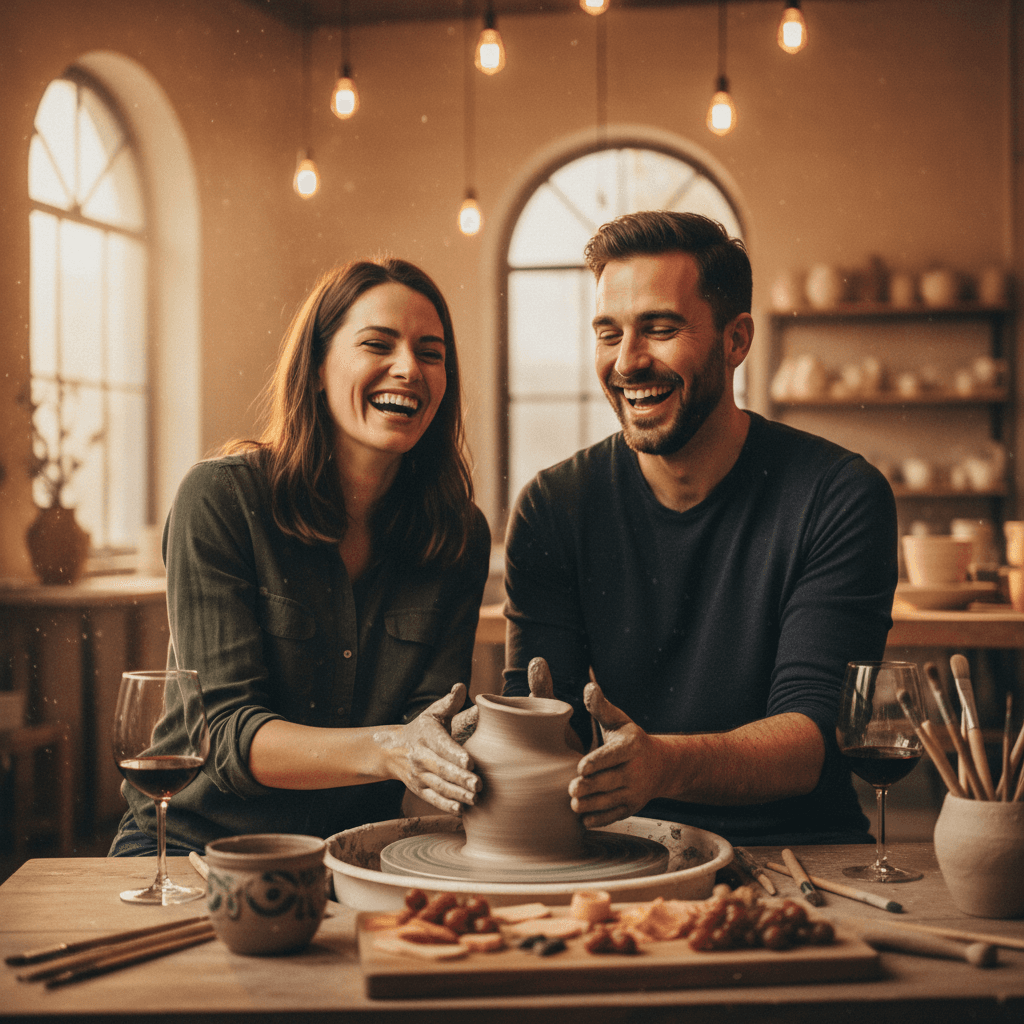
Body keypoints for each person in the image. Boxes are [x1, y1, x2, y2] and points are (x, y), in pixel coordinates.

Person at [503, 211, 898, 846]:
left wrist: (661, 763)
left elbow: (815, 736)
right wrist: (515, 731)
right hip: (619, 856)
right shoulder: (553, 506)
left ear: (736, 340)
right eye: (609, 334)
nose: (628, 362)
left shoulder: (839, 495)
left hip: (798, 857)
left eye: (659, 329)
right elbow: (541, 723)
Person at [110, 258, 489, 857]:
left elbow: (432, 732)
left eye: (431, 352)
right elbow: (226, 737)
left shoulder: (459, 533)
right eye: (377, 344)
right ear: (316, 367)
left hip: (360, 854)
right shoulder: (221, 499)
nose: (409, 368)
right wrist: (390, 749)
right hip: (194, 847)